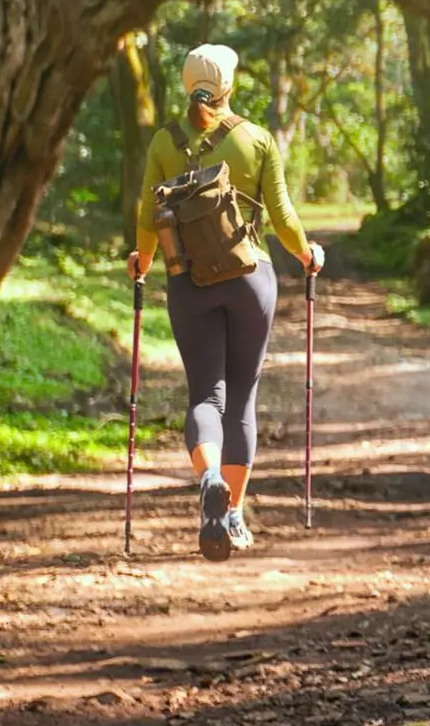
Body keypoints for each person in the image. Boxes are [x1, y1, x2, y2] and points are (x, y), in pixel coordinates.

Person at [127, 45, 323, 562]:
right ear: (230, 87)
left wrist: (143, 261)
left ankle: (208, 476)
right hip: (250, 278)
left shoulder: (165, 143)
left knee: (204, 397)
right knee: (242, 399)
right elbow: (280, 214)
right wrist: (307, 254)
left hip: (189, 282)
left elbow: (149, 216)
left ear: (186, 85)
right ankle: (232, 513)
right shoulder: (255, 139)